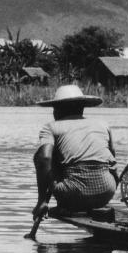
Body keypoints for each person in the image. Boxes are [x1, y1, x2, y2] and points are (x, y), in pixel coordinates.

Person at [32, 84, 118, 220]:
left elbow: (44, 159)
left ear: (58, 109)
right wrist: (112, 186)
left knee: (42, 156)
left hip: (72, 196)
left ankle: (57, 204)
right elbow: (113, 160)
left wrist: (42, 201)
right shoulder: (103, 124)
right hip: (106, 193)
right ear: (82, 108)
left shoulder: (51, 127)